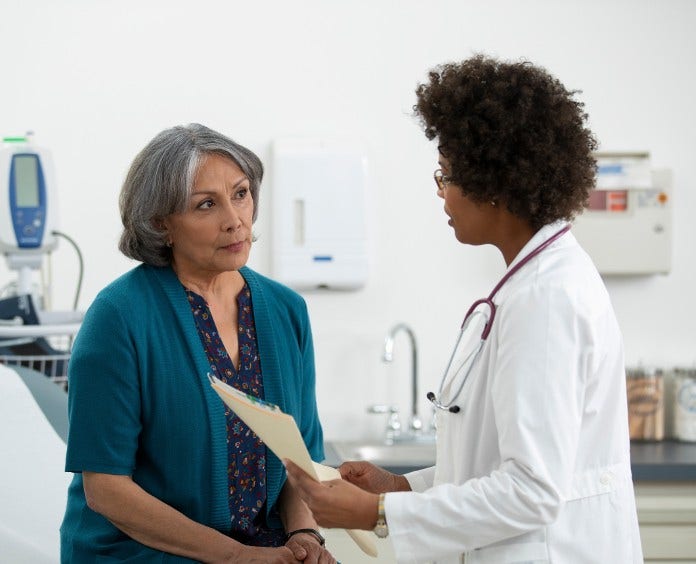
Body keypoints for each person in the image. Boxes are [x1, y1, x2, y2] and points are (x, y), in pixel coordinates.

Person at [284, 55, 643, 563]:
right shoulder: (530, 284)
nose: (440, 192)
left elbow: (530, 491)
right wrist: (398, 488)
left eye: (446, 175)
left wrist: (374, 514)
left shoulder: (545, 298)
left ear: (494, 184)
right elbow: (493, 463)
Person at [61, 123, 336, 563]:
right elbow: (106, 489)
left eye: (241, 194)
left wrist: (304, 533)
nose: (235, 219)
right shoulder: (118, 317)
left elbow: (301, 455)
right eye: (206, 204)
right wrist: (235, 557)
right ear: (160, 223)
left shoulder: (287, 310)